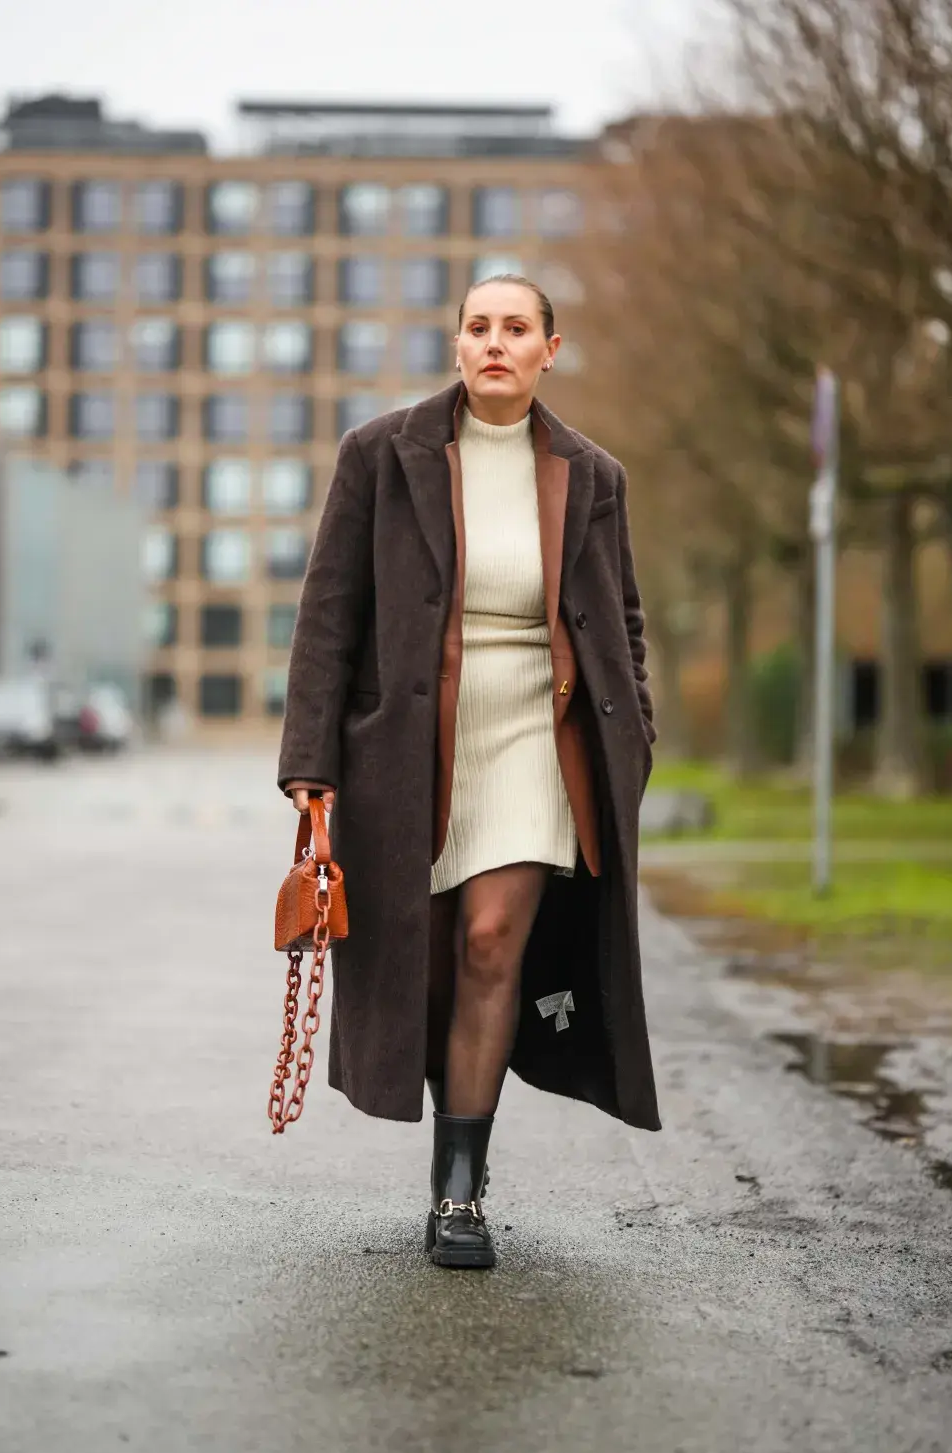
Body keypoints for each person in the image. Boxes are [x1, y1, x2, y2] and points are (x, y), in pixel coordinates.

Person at [279, 274, 659, 1270]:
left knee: (494, 942)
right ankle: (454, 1123)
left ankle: (461, 1191)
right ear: (456, 346)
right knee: (436, 957)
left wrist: (636, 738)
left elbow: (621, 619)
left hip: (538, 737)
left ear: (549, 349)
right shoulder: (380, 454)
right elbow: (328, 617)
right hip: (409, 749)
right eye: (478, 326)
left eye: (517, 328)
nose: (496, 343)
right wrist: (311, 761)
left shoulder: (592, 474)